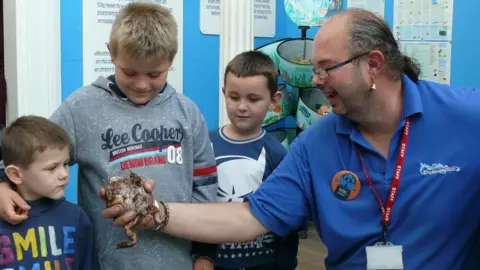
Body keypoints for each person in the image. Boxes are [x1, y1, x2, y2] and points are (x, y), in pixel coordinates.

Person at [100, 8, 480, 270]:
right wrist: (156, 212)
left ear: (373, 65)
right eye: (314, 69)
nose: (314, 81)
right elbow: (249, 217)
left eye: (326, 69)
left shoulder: (465, 115)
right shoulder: (317, 145)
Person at [0, 2, 218, 270]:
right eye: (130, 72)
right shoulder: (81, 109)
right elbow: (27, 156)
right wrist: (1, 186)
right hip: (107, 262)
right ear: (111, 54)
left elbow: (206, 190)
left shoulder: (187, 113)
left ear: (171, 61)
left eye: (154, 74)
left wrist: (205, 255)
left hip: (179, 261)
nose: (141, 84)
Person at [192, 50, 299, 270]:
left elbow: (287, 223)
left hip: (263, 263)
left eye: (253, 99)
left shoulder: (279, 157)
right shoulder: (204, 146)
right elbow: (196, 206)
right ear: (224, 93)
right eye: (234, 97)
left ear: (274, 100)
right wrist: (200, 255)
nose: (242, 106)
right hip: (214, 262)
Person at [0, 116, 94, 269]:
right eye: (52, 168)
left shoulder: (76, 217)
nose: (64, 174)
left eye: (65, 164)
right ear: (16, 175)